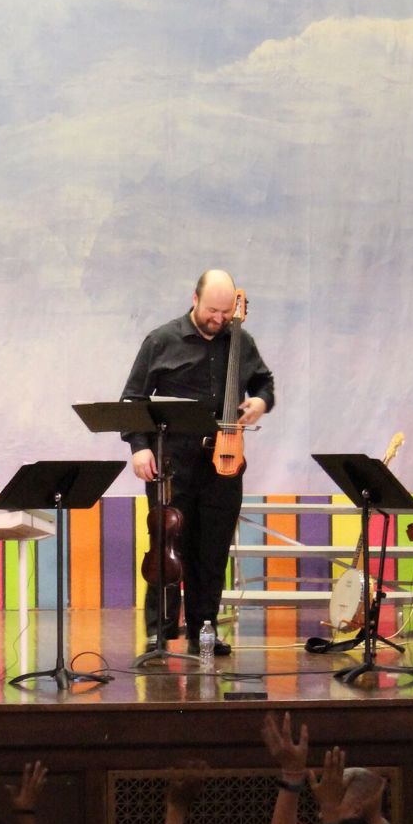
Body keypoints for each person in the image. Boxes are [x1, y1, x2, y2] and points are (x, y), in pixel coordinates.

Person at [121, 269, 273, 655]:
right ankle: (159, 631)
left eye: (225, 312)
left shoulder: (240, 341)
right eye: (211, 311)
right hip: (171, 464)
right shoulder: (161, 340)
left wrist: (260, 401)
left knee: (212, 551)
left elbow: (264, 382)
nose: (219, 319)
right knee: (166, 546)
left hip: (224, 463)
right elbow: (133, 398)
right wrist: (139, 447)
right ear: (194, 299)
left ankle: (204, 629)